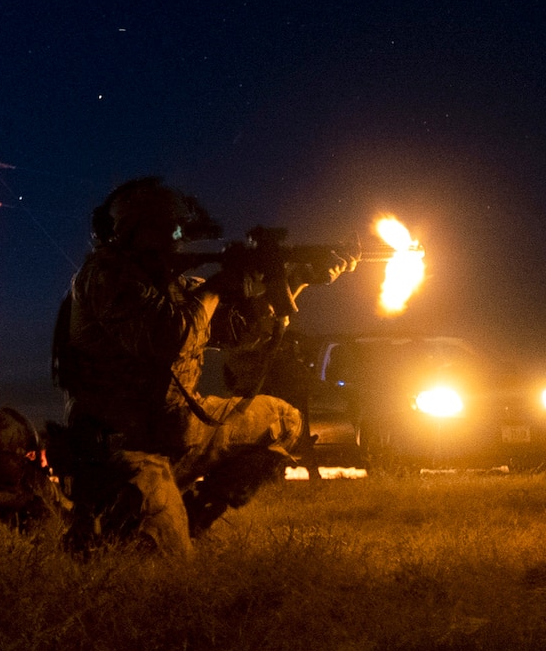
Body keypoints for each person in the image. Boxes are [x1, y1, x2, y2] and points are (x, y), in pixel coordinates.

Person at [51, 178, 353, 555]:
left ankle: (193, 515)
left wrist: (297, 280)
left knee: (283, 421)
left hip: (180, 431)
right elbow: (167, 337)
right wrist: (217, 286)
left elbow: (240, 331)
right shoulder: (104, 277)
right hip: (124, 450)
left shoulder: (170, 284)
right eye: (168, 229)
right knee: (160, 566)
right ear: (133, 228)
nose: (177, 239)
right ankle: (117, 516)